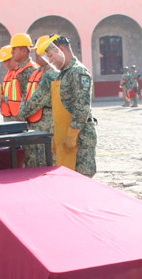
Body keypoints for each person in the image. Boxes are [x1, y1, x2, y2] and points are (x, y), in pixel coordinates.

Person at [37, 34, 97, 177]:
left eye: (51, 56)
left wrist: (72, 133)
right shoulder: (63, 73)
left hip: (80, 136)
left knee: (82, 178)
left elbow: (82, 105)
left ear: (61, 49)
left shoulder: (77, 71)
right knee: (68, 178)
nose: (50, 61)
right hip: (64, 134)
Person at [18, 35, 59, 168]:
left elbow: (38, 99)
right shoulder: (37, 72)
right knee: (33, 161)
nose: (37, 55)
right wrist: (22, 111)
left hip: (46, 124)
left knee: (45, 161)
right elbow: (26, 95)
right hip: (34, 123)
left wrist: (22, 112)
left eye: (40, 52)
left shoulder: (51, 74)